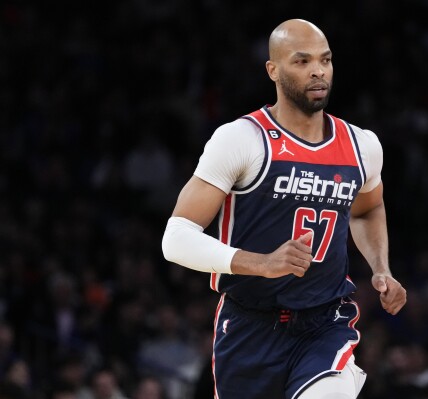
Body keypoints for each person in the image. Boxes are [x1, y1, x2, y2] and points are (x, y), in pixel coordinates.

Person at [162, 18, 407, 399]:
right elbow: (175, 239)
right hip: (248, 324)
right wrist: (261, 263)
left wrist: (381, 268)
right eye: (302, 61)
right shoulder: (242, 139)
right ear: (272, 70)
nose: (318, 71)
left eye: (325, 60)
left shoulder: (362, 145)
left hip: (324, 323)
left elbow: (366, 210)